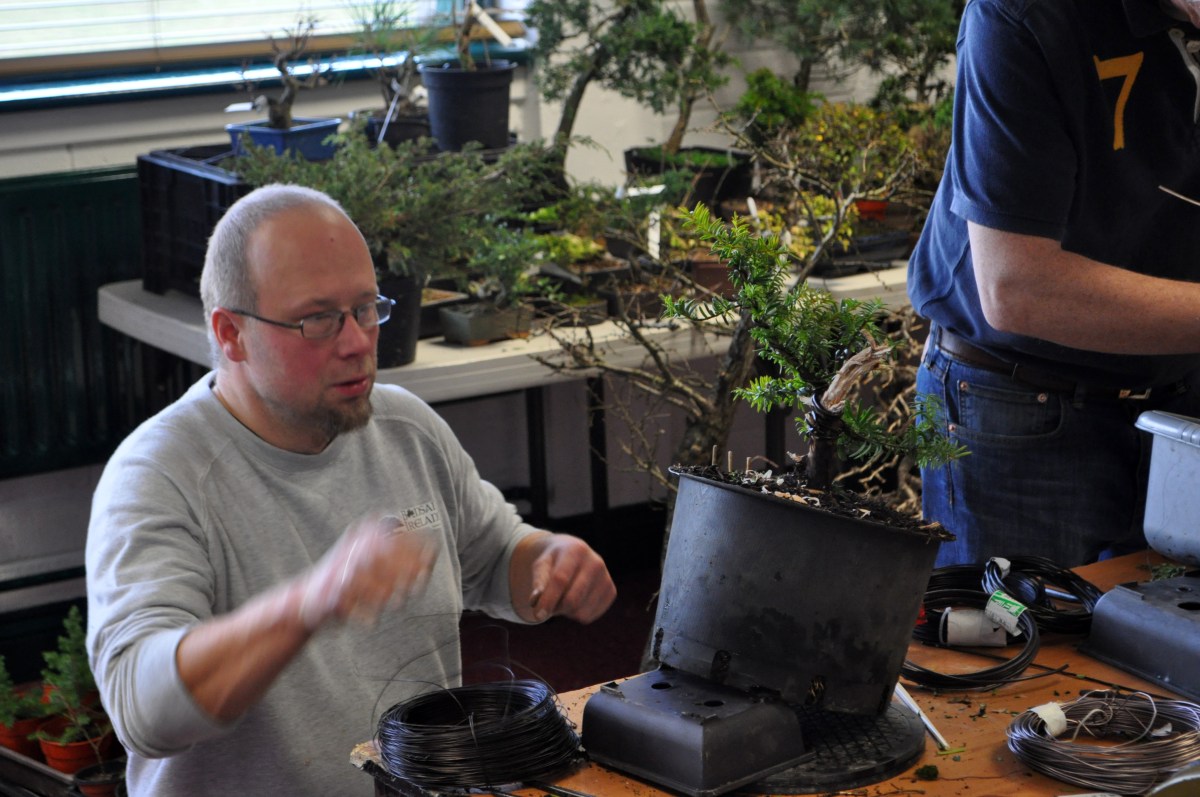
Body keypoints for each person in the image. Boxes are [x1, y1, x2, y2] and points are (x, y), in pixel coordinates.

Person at [85, 184, 618, 796]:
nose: (358, 342)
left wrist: (549, 559)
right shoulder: (158, 475)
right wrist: (310, 602)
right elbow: (143, 710)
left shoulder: (406, 426)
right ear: (230, 333)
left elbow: (496, 555)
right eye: (317, 321)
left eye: (366, 309)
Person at [908, 0, 1200, 568]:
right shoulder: (1023, 14)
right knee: (1012, 624)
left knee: (1165, 622)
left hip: (1179, 401)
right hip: (1018, 406)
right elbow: (1018, 289)